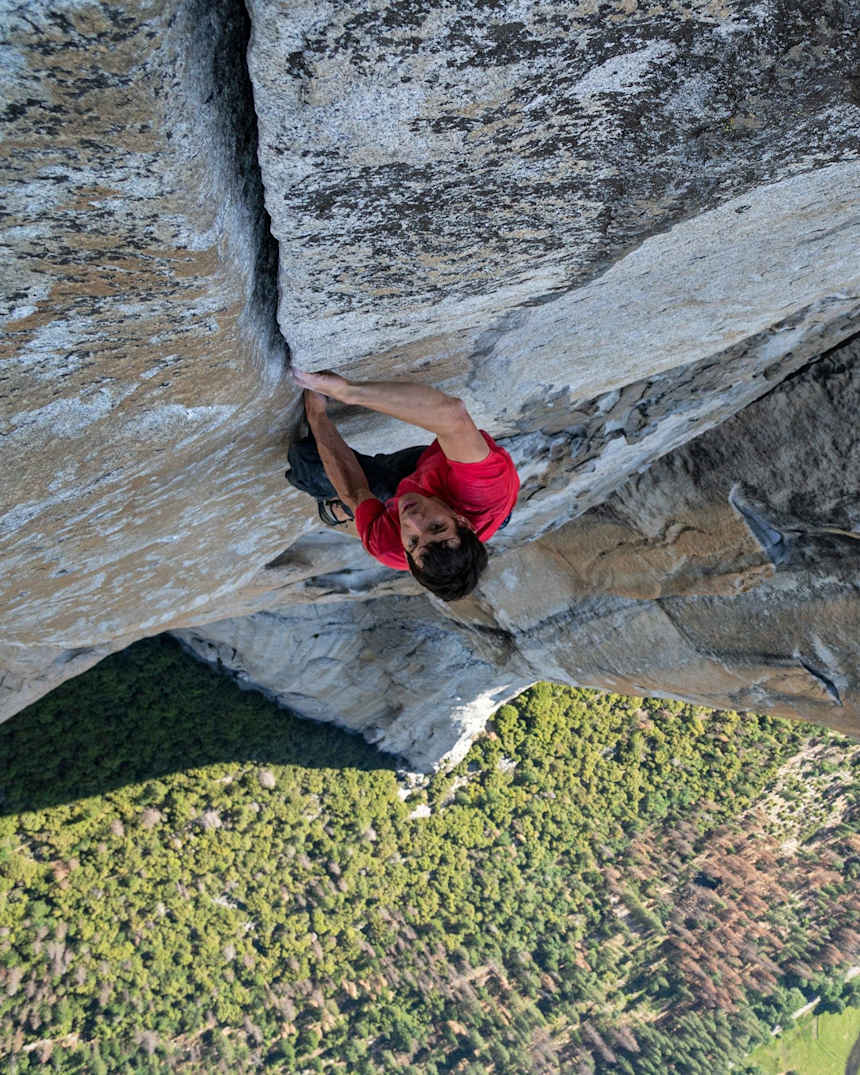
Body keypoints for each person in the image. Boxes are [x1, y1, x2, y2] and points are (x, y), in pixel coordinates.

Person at [285, 370, 519, 601]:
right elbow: (453, 417)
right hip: (441, 477)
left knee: (310, 465)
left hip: (424, 490)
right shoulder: (481, 492)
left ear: (406, 556)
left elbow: (354, 492)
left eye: (413, 542)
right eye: (436, 526)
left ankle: (344, 511)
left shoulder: (389, 547)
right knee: (443, 458)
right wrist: (348, 391)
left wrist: (316, 414)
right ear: (462, 521)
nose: (413, 520)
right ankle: (499, 518)